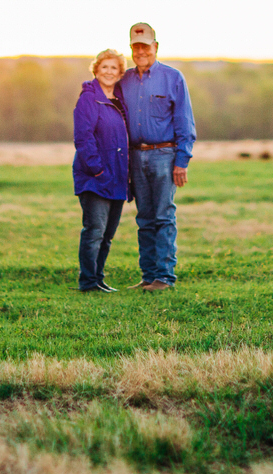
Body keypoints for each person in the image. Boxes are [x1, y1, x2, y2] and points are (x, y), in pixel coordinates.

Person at [120, 22, 196, 291]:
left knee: (164, 216)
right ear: (131, 49)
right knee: (144, 218)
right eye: (135, 46)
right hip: (135, 156)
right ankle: (148, 275)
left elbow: (185, 122)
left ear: (156, 47)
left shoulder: (173, 77)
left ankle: (164, 277)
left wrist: (181, 161)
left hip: (164, 154)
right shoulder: (125, 80)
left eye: (145, 46)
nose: (141, 51)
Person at [71, 48, 131, 293]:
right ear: (96, 69)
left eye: (113, 68)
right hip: (95, 177)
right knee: (94, 231)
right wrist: (98, 170)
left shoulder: (119, 100)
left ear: (120, 73)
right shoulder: (88, 98)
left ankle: (98, 278)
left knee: (107, 235)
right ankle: (87, 282)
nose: (108, 72)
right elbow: (83, 138)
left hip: (117, 178)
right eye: (104, 67)